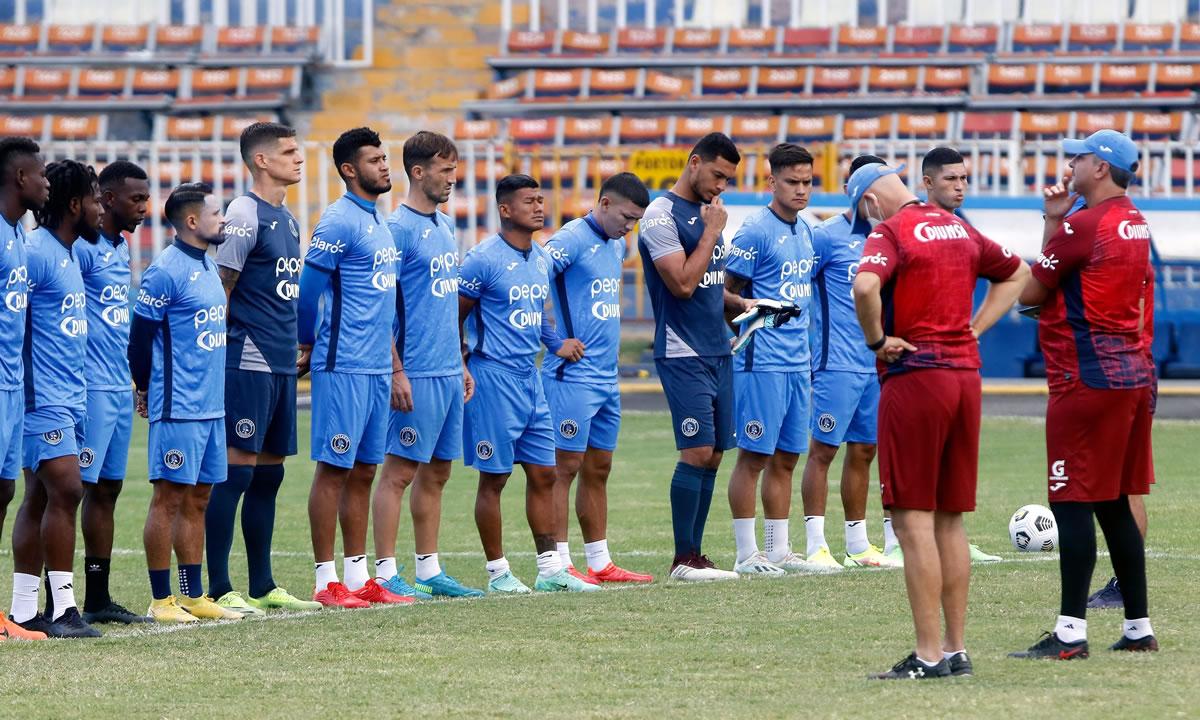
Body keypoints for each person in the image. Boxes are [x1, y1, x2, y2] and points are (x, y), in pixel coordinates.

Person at [851, 162, 1028, 679]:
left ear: (869, 203)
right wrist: (975, 329)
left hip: (917, 379)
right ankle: (955, 649)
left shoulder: (890, 231)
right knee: (951, 519)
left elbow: (865, 287)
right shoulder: (959, 227)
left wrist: (877, 341)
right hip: (965, 378)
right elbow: (1018, 272)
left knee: (913, 520)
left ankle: (927, 655)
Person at [1010, 130, 1158, 659]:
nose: (1070, 163)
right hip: (1132, 376)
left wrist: (1053, 223)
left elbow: (1031, 291)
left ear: (1100, 167)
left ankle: (1070, 633)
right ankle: (1138, 628)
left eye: (1080, 156)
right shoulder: (1134, 220)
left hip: (1086, 378)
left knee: (1070, 499)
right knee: (1114, 502)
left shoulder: (1084, 224)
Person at [459, 174, 596, 594]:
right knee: (495, 478)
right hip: (492, 378)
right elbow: (453, 315)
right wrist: (460, 363)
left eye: (541, 199)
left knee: (544, 473)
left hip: (529, 379)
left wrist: (555, 344)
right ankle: (498, 573)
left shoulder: (540, 258)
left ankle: (550, 569)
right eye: (529, 201)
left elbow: (536, 312)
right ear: (505, 209)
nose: (539, 207)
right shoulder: (482, 259)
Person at [206, 121, 319, 615]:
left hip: (280, 360)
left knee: (269, 477)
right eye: (289, 152)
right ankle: (218, 586)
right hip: (247, 358)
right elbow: (222, 288)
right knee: (236, 473)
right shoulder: (243, 213)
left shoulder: (288, 219)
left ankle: (263, 584)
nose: (299, 158)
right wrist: (220, 351)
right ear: (261, 160)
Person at [297, 127, 412, 608]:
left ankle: (359, 576)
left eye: (385, 158)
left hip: (375, 367)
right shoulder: (338, 220)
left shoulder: (379, 219)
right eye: (374, 160)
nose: (385, 166)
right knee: (334, 469)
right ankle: (326, 581)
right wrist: (306, 342)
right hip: (341, 363)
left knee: (365, 470)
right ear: (349, 170)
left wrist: (393, 365)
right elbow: (307, 291)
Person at [371, 131, 483, 599]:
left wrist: (461, 361)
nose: (452, 178)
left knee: (438, 472)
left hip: (447, 370)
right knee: (399, 472)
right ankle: (384, 572)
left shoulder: (445, 226)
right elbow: (381, 306)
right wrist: (396, 369)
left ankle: (430, 571)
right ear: (418, 172)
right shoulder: (396, 230)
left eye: (454, 170)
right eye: (445, 170)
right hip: (414, 371)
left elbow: (445, 305)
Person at [130, 183, 241, 623]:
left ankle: (192, 595)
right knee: (169, 498)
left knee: (199, 498)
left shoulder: (208, 265)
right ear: (192, 221)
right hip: (178, 406)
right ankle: (161, 600)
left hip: (211, 406)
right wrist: (144, 388)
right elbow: (139, 340)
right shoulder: (165, 271)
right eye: (216, 213)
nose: (223, 219)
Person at [637, 132, 744, 582]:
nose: (721, 186)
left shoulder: (708, 212)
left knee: (715, 453)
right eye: (717, 175)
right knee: (696, 451)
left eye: (728, 179)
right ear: (694, 162)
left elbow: (708, 285)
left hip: (718, 347)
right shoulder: (660, 216)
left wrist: (742, 305)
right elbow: (682, 283)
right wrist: (713, 231)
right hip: (683, 350)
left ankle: (697, 555)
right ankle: (682, 559)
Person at [10, 160, 105, 638]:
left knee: (41, 495)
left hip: (70, 395)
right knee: (67, 489)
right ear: (73, 205)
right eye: (94, 200)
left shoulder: (68, 254)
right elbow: (14, 324)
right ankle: (64, 608)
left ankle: (25, 610)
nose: (100, 210)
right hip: (40, 396)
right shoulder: (36, 252)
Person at [543, 172, 654, 585]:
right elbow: (528, 284)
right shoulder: (570, 239)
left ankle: (600, 561)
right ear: (604, 204)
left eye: (636, 220)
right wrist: (553, 340)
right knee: (563, 468)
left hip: (606, 379)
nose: (630, 227)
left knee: (599, 467)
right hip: (571, 377)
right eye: (626, 217)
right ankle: (559, 565)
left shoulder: (617, 244)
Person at [800, 154, 899, 573]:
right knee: (823, 450)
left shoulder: (889, 237)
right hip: (835, 364)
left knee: (865, 450)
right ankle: (815, 546)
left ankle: (858, 545)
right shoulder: (825, 237)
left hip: (875, 364)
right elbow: (797, 288)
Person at [723, 143, 816, 576]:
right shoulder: (754, 231)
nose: (801, 190)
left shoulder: (807, 229)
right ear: (772, 182)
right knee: (754, 456)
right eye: (792, 182)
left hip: (798, 362)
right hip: (761, 361)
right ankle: (746, 555)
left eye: (807, 182)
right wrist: (747, 328)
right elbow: (724, 294)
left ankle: (778, 550)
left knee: (787, 458)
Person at [917, 146, 1009, 566]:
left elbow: (1015, 274)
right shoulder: (911, 228)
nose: (960, 186)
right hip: (919, 367)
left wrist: (975, 328)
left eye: (964, 178)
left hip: (958, 366)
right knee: (914, 469)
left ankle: (945, 538)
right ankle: (904, 539)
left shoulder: (965, 232)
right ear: (928, 182)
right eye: (951, 178)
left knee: (950, 474)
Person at [75, 160, 152, 624]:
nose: (145, 208)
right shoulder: (82, 248)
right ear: (107, 199)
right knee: (72, 491)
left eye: (146, 198)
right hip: (88, 387)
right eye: (136, 199)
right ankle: (52, 601)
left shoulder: (119, 247)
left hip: (118, 385)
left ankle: (98, 599)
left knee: (108, 489)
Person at [0, 137, 49, 641]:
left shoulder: (18, 233)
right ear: (20, 178)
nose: (47, 183)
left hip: (13, 384)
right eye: (41, 174)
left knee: (5, 489)